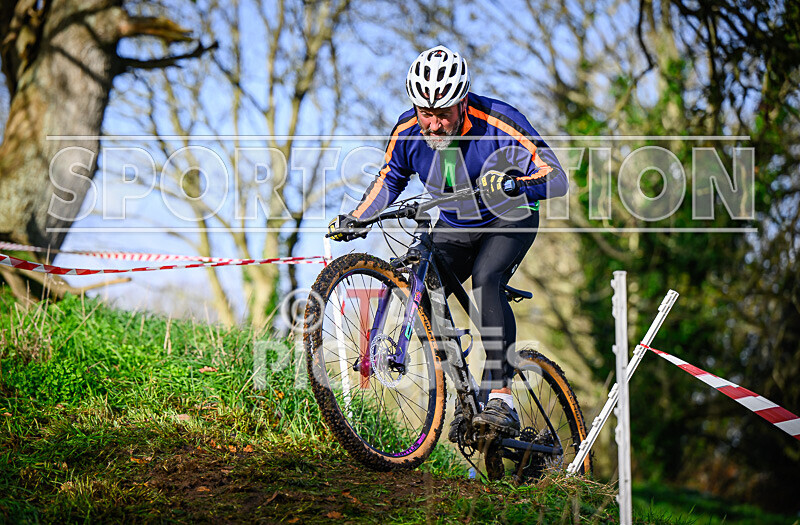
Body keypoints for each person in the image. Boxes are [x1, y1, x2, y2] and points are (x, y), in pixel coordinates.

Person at [328, 45, 568, 440]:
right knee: (420, 283)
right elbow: (390, 178)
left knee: (486, 277)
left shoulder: (498, 121)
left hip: (510, 217)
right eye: (426, 114)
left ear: (463, 102)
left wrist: (514, 182)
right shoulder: (408, 131)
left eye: (443, 115)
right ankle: (464, 398)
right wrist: (359, 218)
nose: (434, 125)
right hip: (457, 223)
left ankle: (503, 398)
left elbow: (556, 176)